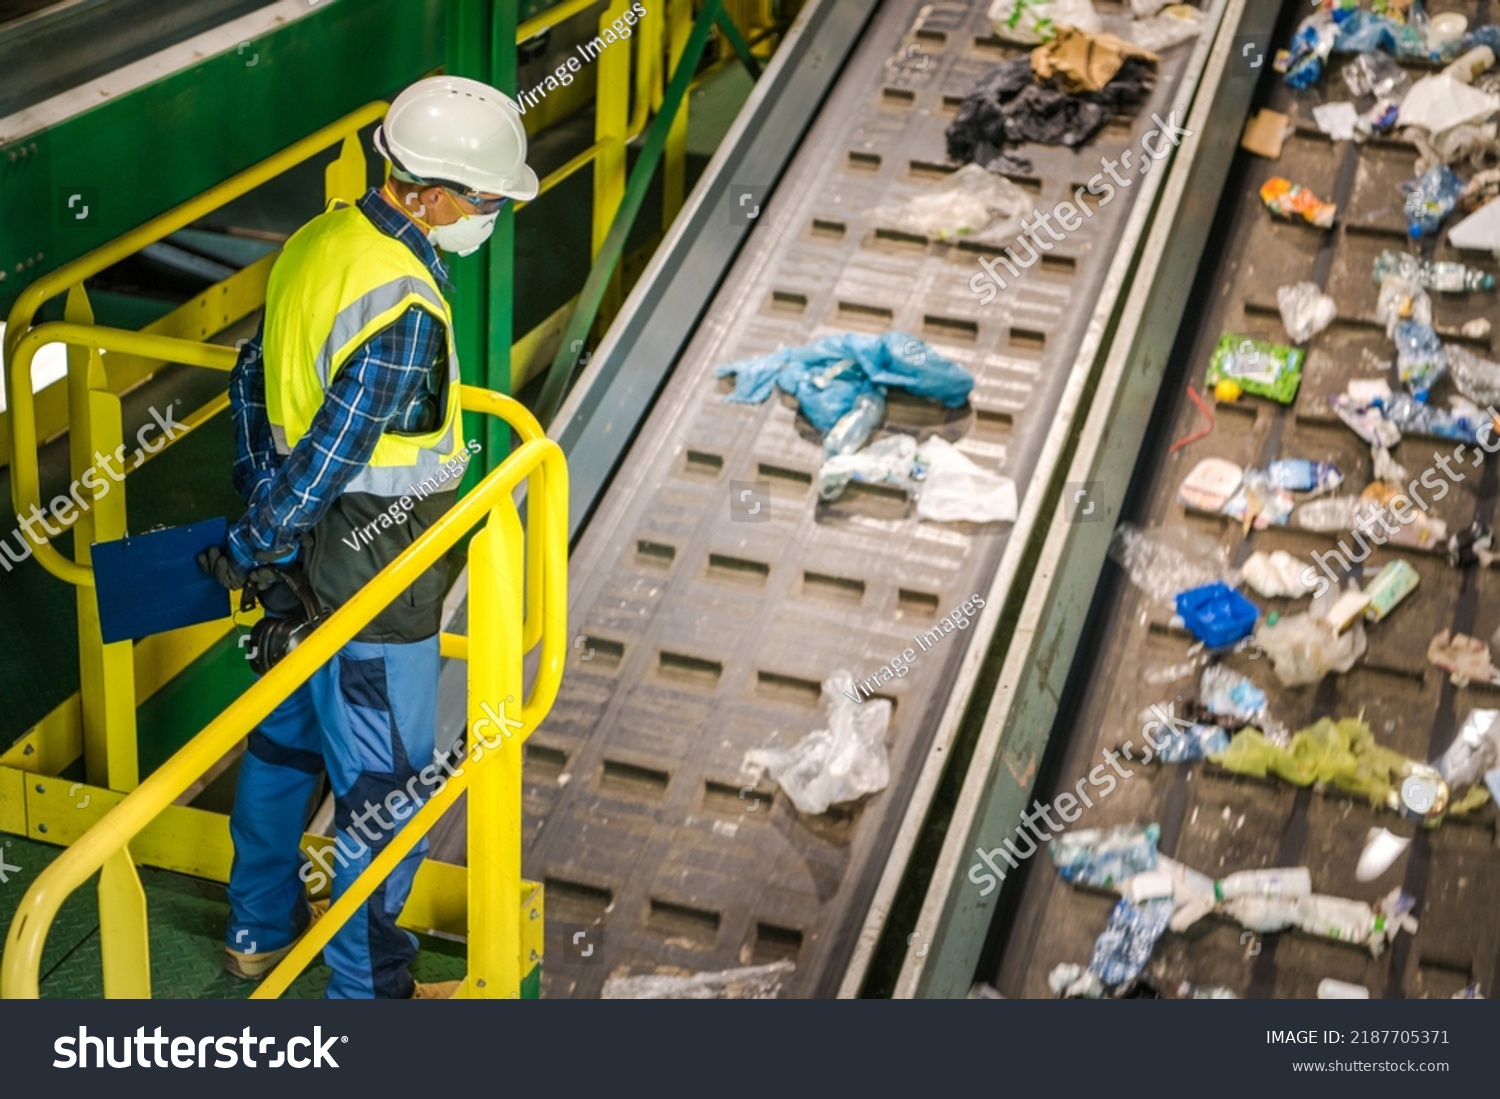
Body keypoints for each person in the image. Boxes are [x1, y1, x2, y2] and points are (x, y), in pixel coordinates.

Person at [197, 75, 538, 999]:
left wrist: (259, 535)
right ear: (426, 192)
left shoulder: (320, 241)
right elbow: (333, 455)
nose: (492, 212)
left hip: (302, 565)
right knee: (387, 797)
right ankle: (369, 993)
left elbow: (250, 387)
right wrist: (263, 537)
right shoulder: (405, 310)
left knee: (283, 749)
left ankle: (255, 929)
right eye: (484, 198)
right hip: (374, 578)